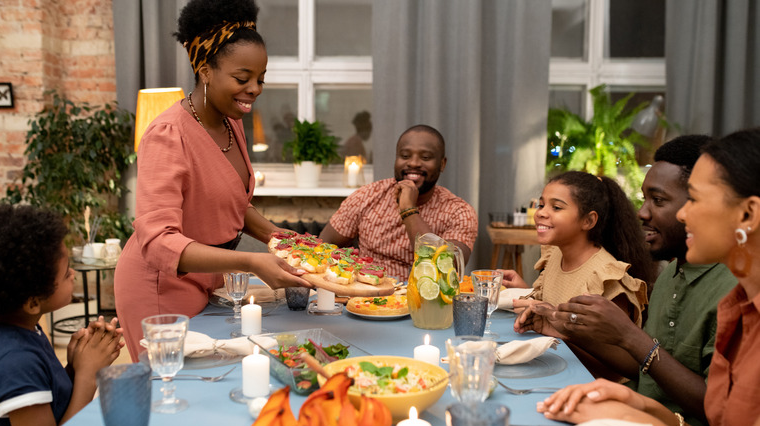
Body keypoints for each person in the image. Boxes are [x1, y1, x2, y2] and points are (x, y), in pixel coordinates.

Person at [114, 0, 310, 362]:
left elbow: (233, 202)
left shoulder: (231, 123)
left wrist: (284, 239)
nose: (255, 88)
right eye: (242, 78)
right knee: (179, 386)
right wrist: (252, 263)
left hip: (207, 278)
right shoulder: (168, 135)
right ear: (205, 70)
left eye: (261, 78)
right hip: (159, 286)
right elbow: (158, 242)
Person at [537, 128, 760, 426]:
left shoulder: (736, 297)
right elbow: (652, 373)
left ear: (748, 214)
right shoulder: (678, 277)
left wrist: (643, 409)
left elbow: (710, 411)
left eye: (694, 199)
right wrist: (637, 404)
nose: (642, 212)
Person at [0, 204, 124, 426]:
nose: (73, 274)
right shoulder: (13, 363)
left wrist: (75, 367)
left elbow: (50, 398)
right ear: (33, 302)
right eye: (67, 272)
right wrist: (89, 375)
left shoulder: (17, 327)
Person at [319, 124, 478, 280]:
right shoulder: (367, 195)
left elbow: (446, 268)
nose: (414, 163)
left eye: (425, 157)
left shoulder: (460, 212)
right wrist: (347, 274)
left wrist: (409, 209)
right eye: (405, 156)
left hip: (423, 301)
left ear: (442, 164)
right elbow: (326, 242)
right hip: (366, 297)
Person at [511, 171, 655, 329]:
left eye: (556, 207)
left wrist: (554, 327)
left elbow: (613, 350)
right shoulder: (555, 254)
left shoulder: (606, 277)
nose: (541, 213)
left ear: (588, 221)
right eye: (541, 205)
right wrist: (523, 291)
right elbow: (550, 302)